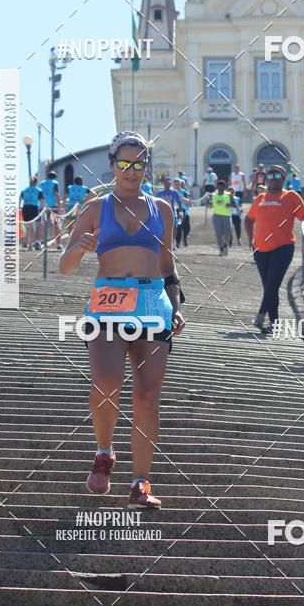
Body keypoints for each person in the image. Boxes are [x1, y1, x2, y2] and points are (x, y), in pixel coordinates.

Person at [59, 130, 185, 508]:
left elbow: (168, 265)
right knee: (105, 382)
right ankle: (103, 451)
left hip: (152, 301)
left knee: (147, 395)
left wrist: (176, 305)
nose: (132, 170)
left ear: (148, 166)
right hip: (109, 302)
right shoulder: (95, 208)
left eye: (140, 163)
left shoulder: (163, 209)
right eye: (125, 163)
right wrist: (80, 249)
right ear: (112, 166)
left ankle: (140, 483)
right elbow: (65, 267)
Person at [245, 164, 304, 332]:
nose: (273, 179)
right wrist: (251, 239)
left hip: (282, 247)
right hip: (261, 249)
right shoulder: (260, 198)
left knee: (272, 283)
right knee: (271, 286)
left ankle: (261, 314)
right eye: (269, 176)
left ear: (284, 179)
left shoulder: (290, 196)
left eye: (277, 176)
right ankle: (274, 324)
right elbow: (248, 220)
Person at [156, 178, 184, 250]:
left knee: (174, 228)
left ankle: (172, 242)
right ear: (163, 183)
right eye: (166, 183)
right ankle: (162, 243)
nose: (167, 184)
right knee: (162, 228)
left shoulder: (174, 192)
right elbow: (155, 204)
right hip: (161, 214)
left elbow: (179, 203)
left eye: (169, 183)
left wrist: (181, 213)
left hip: (172, 212)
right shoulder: (159, 194)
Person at [39, 170, 62, 250]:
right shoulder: (55, 183)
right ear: (55, 177)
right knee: (56, 225)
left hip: (42, 207)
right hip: (53, 207)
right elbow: (56, 194)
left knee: (42, 225)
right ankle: (58, 244)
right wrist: (59, 206)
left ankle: (38, 242)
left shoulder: (41, 183)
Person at [19, 177, 44, 250]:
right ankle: (32, 243)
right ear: (36, 182)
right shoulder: (38, 190)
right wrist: (46, 207)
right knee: (36, 225)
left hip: (25, 208)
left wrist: (19, 208)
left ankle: (28, 243)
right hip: (33, 208)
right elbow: (42, 201)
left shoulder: (24, 190)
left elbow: (20, 199)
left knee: (29, 227)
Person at [209, 179, 232, 256]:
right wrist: (210, 204)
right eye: (219, 187)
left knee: (227, 232)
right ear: (217, 187)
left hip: (226, 216)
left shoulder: (228, 195)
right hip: (216, 216)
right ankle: (221, 249)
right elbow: (210, 205)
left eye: (222, 187)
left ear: (225, 187)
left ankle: (226, 245)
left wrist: (230, 205)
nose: (220, 188)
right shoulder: (213, 195)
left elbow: (234, 204)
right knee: (218, 233)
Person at [173, 178, 191, 247]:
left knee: (187, 227)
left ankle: (185, 238)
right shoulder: (172, 192)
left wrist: (181, 197)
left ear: (180, 184)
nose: (176, 185)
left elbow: (189, 202)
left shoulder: (184, 192)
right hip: (176, 211)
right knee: (179, 227)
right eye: (175, 184)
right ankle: (178, 242)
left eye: (178, 184)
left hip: (184, 211)